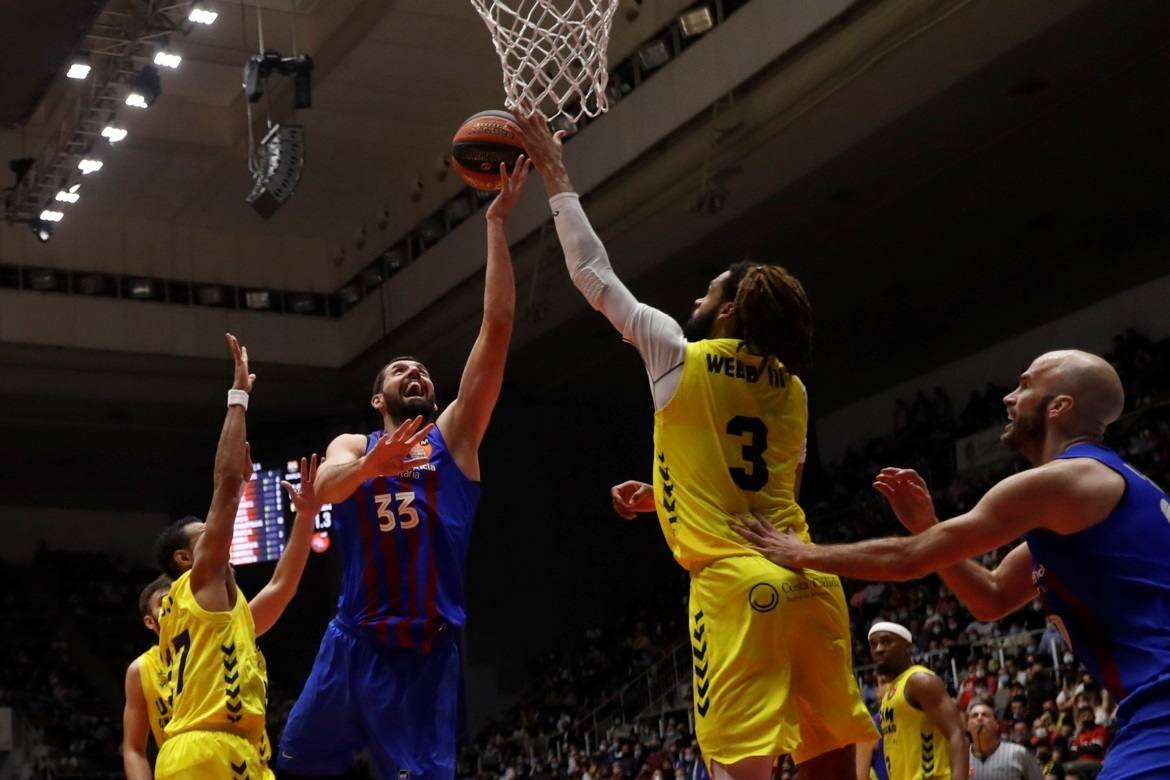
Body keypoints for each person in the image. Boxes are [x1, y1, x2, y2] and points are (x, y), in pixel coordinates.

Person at [515, 115, 875, 780]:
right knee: (833, 769)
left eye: (708, 291)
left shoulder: (677, 356)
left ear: (731, 310)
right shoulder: (792, 391)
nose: (695, 297)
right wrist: (666, 496)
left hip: (738, 590)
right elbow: (774, 491)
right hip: (810, 579)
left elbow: (592, 275)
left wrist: (556, 176)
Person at [732, 350, 1170, 778]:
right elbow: (992, 597)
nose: (1008, 397)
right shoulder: (1103, 490)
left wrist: (801, 553)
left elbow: (910, 560)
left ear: (1059, 407)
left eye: (1025, 385)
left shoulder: (1065, 480)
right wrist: (929, 524)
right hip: (1146, 711)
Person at [277, 158, 532, 778]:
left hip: (423, 657)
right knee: (292, 764)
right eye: (399, 369)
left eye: (422, 370)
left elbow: (496, 327)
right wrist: (375, 463)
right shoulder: (353, 444)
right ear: (377, 398)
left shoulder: (456, 439)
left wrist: (495, 225)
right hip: (352, 642)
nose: (414, 372)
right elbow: (326, 491)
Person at [151, 334, 325, 778]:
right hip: (207, 754)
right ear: (184, 560)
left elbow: (283, 588)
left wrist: (306, 515)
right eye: (205, 535)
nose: (216, 536)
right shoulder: (199, 582)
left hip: (240, 755)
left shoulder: (225, 615)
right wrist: (239, 398)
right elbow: (226, 484)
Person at [867, 622, 966, 780]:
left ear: (908, 648)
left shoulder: (919, 680)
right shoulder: (891, 691)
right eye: (873, 644)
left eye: (886, 642)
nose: (878, 649)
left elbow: (957, 732)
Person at [122, 575, 172, 779]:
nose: (172, 607)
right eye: (164, 602)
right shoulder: (141, 670)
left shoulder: (217, 648)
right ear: (150, 622)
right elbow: (133, 748)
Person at [968, 701, 1044, 779]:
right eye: (974, 716)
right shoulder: (960, 759)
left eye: (985, 715)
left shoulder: (1018, 753)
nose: (979, 718)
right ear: (968, 726)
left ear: (996, 725)